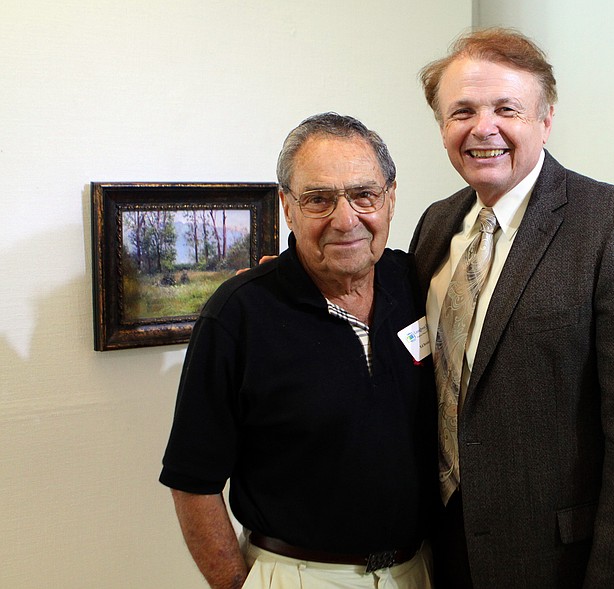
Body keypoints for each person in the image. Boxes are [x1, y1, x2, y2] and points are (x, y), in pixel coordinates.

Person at [408, 28, 614, 588]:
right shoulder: (435, 225)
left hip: (558, 564)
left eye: (506, 108)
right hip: (440, 550)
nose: (482, 127)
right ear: (443, 128)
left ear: (545, 119)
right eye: (461, 111)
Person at [159, 113, 436, 589]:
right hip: (299, 574)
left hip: (419, 570)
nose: (346, 219)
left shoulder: (418, 284)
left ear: (391, 198)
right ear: (287, 206)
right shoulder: (237, 316)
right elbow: (193, 482)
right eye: (319, 200)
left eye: (364, 195)